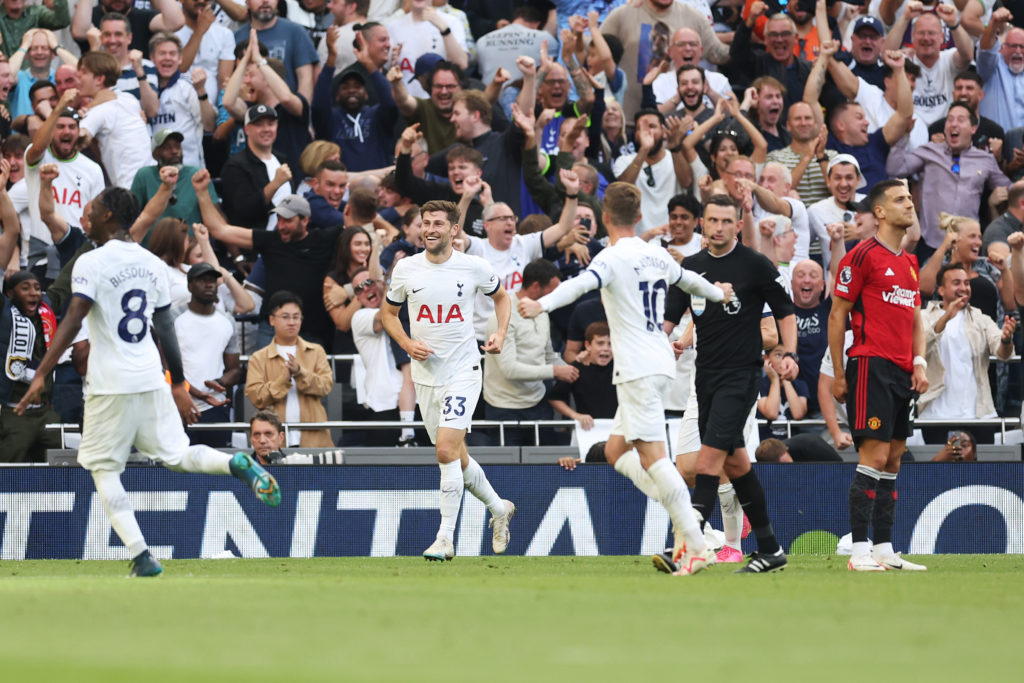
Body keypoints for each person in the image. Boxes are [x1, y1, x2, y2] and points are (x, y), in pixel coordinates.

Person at [15, 186, 280, 578]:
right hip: (151, 378)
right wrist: (176, 382)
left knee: (104, 470)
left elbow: (73, 318)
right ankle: (235, 464)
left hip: (110, 385)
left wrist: (41, 373)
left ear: (109, 216)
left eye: (92, 211)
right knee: (177, 455)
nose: (85, 218)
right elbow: (165, 326)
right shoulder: (152, 263)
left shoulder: (91, 261)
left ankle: (142, 557)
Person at [519, 182, 732, 576]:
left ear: (604, 217)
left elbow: (578, 285)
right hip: (657, 361)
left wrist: (540, 304)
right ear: (638, 217)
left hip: (637, 367)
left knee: (653, 456)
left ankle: (697, 542)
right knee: (616, 453)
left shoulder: (612, 257)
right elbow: (690, 281)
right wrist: (720, 295)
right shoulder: (655, 255)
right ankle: (687, 522)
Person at [380, 199, 515, 561]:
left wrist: (500, 333)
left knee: (444, 451)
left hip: (463, 371)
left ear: (454, 229)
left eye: (438, 223)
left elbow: (502, 297)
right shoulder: (406, 269)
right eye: (426, 223)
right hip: (426, 377)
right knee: (457, 456)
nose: (430, 229)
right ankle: (499, 508)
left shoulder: (474, 267)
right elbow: (388, 314)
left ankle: (444, 539)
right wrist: (407, 343)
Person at [673, 193, 794, 573]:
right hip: (704, 376)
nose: (720, 228)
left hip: (742, 376)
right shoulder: (691, 266)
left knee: (707, 459)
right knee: (738, 465)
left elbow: (785, 310)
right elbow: (672, 313)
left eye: (727, 221)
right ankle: (771, 549)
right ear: (702, 225)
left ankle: (689, 547)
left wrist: (788, 352)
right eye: (713, 221)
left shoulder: (755, 265)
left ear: (738, 226)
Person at [828, 178, 929, 572]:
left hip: (902, 371)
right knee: (875, 455)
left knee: (895, 459)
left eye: (910, 198)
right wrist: (839, 373)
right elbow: (837, 314)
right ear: (881, 212)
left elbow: (915, 317)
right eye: (901, 199)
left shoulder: (909, 261)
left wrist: (918, 363)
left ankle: (885, 549)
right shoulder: (861, 256)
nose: (910, 204)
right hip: (870, 363)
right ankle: (858, 552)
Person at [887, 102, 1011, 254]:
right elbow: (895, 168)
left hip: (966, 245)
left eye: (960, 120)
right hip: (930, 244)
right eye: (950, 120)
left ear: (973, 128)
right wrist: (904, 135)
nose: (954, 124)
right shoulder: (929, 151)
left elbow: (1009, 188)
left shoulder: (986, 159)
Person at [918, 262, 1016, 443]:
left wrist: (1006, 339)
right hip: (935, 415)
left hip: (978, 414)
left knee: (984, 472)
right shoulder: (923, 316)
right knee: (933, 471)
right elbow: (916, 347)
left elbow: (1003, 353)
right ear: (940, 290)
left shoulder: (980, 318)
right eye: (957, 283)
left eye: (967, 283)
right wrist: (946, 317)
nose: (964, 288)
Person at [483, 258, 576, 445]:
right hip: (504, 409)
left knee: (543, 468)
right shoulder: (503, 316)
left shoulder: (542, 310)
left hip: (538, 404)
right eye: (552, 290)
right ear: (535, 286)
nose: (555, 296)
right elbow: (509, 370)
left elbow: (548, 355)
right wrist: (555, 372)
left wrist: (572, 370)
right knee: (507, 472)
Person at [245, 290, 334, 447]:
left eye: (296, 317)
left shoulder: (316, 351)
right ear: (272, 320)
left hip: (314, 438)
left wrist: (300, 373)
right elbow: (255, 396)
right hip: (274, 442)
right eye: (285, 317)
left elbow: (326, 386)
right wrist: (283, 380)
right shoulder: (259, 357)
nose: (292, 322)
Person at [174, 262, 240, 447]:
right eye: (203, 280)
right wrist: (195, 393)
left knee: (218, 470)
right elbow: (163, 369)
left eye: (212, 280)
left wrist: (220, 383)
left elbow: (234, 370)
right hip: (179, 406)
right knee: (178, 471)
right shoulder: (172, 318)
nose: (209, 284)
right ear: (189, 286)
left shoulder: (227, 321)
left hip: (215, 408)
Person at [0, 271, 60, 463]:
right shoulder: (3, 313)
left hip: (45, 412)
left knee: (65, 467)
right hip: (14, 413)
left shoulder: (46, 311)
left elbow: (65, 281)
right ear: (10, 293)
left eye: (37, 287)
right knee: (8, 475)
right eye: (25, 288)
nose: (34, 292)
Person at [76, 50, 153, 189]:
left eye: (84, 72)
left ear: (99, 79)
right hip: (153, 181)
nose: (78, 76)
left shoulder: (97, 112)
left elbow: (75, 141)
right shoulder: (130, 99)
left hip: (129, 190)